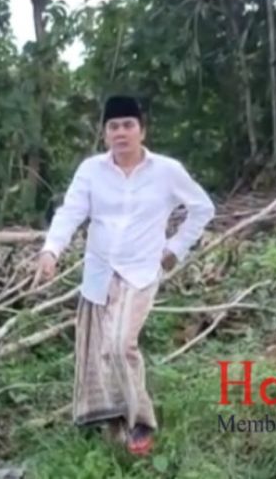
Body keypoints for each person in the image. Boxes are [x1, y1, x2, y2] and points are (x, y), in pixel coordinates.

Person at [33, 94, 216, 455]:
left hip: (141, 272)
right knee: (100, 352)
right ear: (104, 135)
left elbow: (203, 208)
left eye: (128, 125)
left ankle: (142, 422)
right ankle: (113, 424)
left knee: (119, 345)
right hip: (99, 273)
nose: (121, 133)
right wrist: (50, 250)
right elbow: (71, 212)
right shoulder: (91, 170)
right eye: (113, 126)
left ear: (142, 131)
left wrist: (175, 249)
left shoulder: (166, 171)